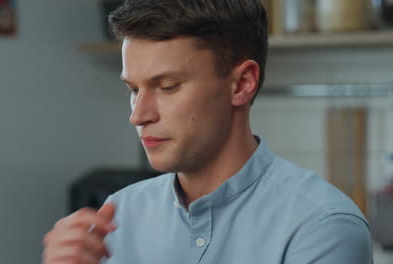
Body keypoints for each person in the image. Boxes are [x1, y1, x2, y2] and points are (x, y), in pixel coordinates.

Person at [42, 0, 373, 263]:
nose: (138, 115)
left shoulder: (322, 227)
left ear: (241, 84)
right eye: (133, 89)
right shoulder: (118, 217)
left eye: (168, 86)